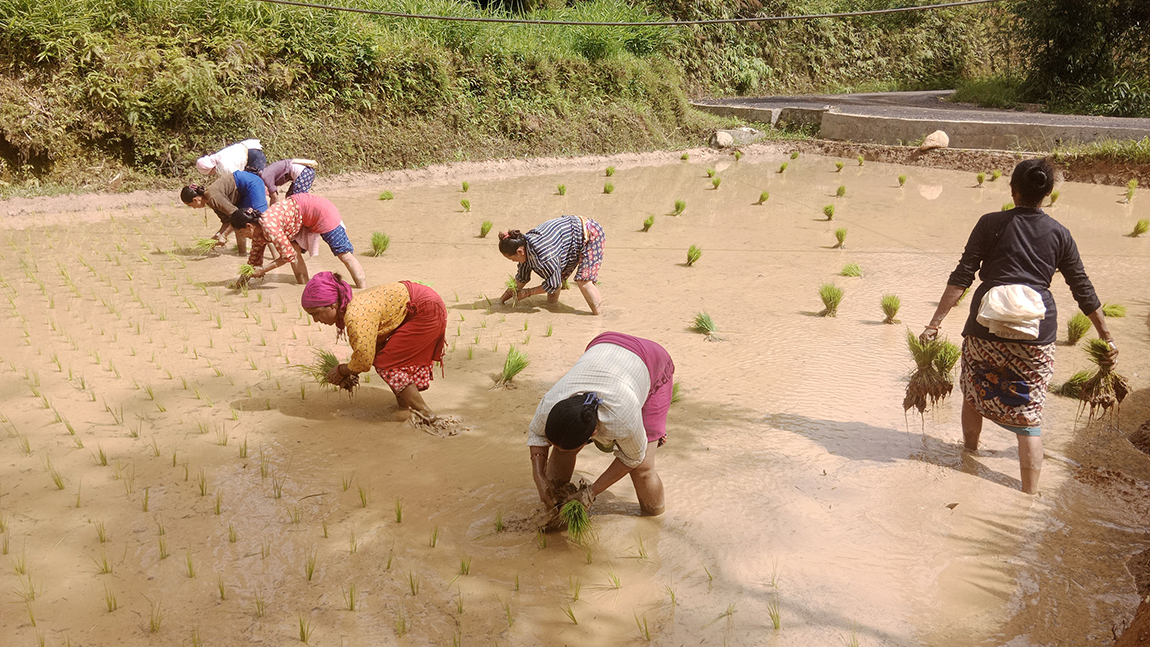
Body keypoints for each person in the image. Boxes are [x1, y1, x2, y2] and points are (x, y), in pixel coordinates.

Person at [920, 158, 1117, 494]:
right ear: (1048, 194)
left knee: (974, 393)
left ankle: (970, 454)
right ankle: (1028, 497)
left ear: (1013, 191)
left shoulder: (990, 223)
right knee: (1029, 420)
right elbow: (1083, 288)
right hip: (1035, 335)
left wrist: (934, 324)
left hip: (985, 329)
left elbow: (962, 276)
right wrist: (1107, 338)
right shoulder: (1060, 234)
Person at [528, 332, 673, 516]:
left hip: (653, 363)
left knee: (643, 468)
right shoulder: (551, 403)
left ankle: (654, 521)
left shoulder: (622, 420)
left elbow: (632, 457)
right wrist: (539, 477)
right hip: (603, 346)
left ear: (593, 433)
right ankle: (555, 507)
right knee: (564, 447)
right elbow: (537, 434)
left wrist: (591, 492)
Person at [302, 272, 446, 422]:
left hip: (424, 309)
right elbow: (372, 349)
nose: (315, 320)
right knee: (385, 357)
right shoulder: (350, 305)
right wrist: (351, 372)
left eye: (316, 313)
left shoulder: (355, 316)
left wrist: (341, 370)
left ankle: (427, 414)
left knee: (387, 364)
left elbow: (364, 360)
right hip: (419, 303)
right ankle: (404, 409)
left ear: (332, 305)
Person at [230, 193, 366, 287]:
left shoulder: (269, 227)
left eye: (242, 233)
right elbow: (253, 260)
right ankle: (304, 287)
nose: (243, 236)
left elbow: (287, 256)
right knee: (294, 249)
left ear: (249, 226)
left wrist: (263, 270)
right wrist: (240, 283)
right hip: (302, 215)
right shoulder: (258, 235)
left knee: (344, 254)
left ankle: (362, 289)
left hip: (321, 210)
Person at [497, 215, 604, 315]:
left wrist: (527, 292)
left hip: (589, 233)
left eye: (512, 259)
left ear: (520, 252)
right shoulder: (525, 246)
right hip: (570, 235)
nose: (512, 261)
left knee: (583, 281)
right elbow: (521, 279)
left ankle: (598, 315)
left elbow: (554, 284)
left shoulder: (544, 254)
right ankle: (552, 307)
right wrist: (502, 300)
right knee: (554, 276)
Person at [180, 170, 269, 254]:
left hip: (250, 183)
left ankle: (278, 256)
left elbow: (236, 216)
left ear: (195, 200)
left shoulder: (213, 198)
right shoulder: (209, 200)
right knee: (240, 225)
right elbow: (228, 221)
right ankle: (242, 254)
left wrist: (224, 235)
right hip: (241, 192)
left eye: (191, 205)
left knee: (262, 224)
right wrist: (217, 236)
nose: (194, 208)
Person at [196, 139, 267, 176]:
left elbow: (239, 177)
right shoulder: (217, 157)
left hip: (252, 155)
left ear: (210, 170)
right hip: (249, 147)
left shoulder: (223, 167)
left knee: (260, 182)